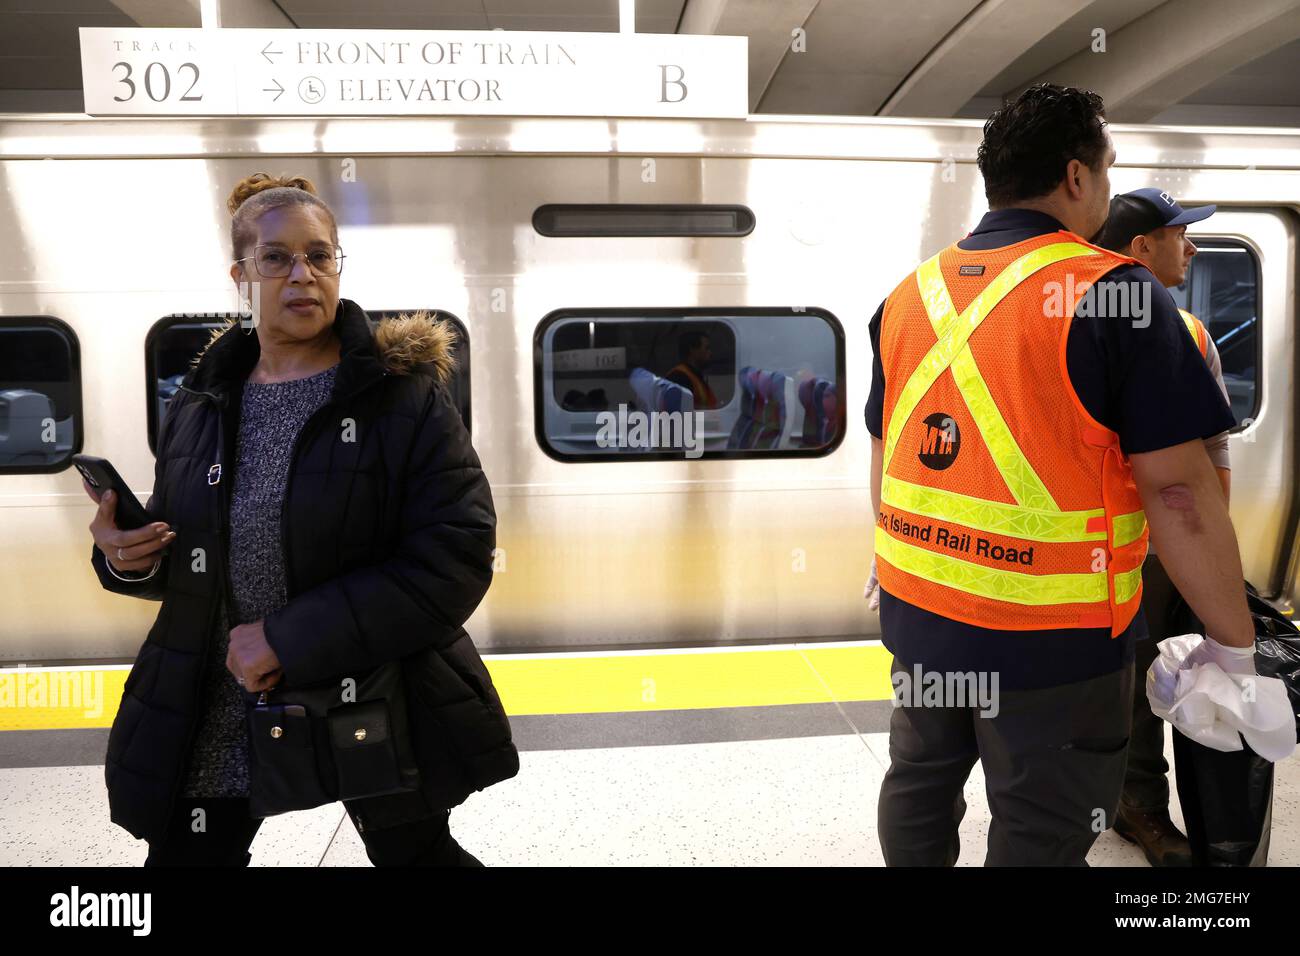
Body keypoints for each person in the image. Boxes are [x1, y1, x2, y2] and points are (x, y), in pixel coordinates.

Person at [865, 84, 1257, 866]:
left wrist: (885, 568)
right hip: (1049, 645)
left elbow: (887, 446)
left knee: (919, 782)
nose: (1106, 191)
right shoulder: (1116, 295)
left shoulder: (908, 295)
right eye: (1107, 173)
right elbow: (1178, 492)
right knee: (1043, 829)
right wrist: (1233, 643)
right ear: (1077, 178)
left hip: (920, 615)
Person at [85, 172, 518, 866]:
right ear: (241, 274)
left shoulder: (399, 398)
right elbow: (190, 555)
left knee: (415, 853)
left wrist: (288, 639)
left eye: (320, 255)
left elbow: (455, 556)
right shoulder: (200, 404)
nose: (302, 275)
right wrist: (127, 558)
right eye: (276, 257)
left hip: (370, 691)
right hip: (225, 695)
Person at [1095, 189, 1233, 866]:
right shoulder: (1083, 321)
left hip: (1166, 546)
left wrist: (1216, 550)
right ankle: (1139, 805)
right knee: (1131, 688)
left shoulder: (1190, 332)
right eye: (1182, 234)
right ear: (1142, 247)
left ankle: (1166, 802)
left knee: (1184, 674)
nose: (1194, 247)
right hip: (1109, 549)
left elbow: (1213, 454)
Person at [666, 331, 720, 409]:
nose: (710, 353)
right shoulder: (679, 377)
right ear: (692, 350)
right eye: (706, 348)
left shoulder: (695, 375)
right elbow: (680, 414)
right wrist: (706, 417)